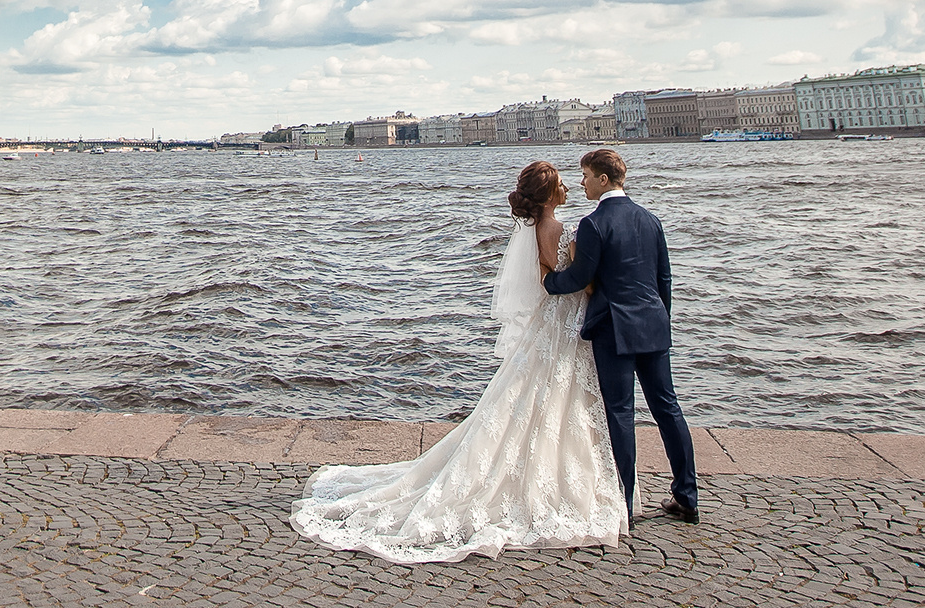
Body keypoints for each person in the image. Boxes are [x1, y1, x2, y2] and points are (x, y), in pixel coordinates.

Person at [289, 160, 628, 563]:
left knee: (534, 397)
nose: (569, 187)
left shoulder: (538, 229)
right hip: (566, 323)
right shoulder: (560, 230)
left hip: (550, 323)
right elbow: (579, 281)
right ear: (550, 194)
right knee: (558, 397)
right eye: (561, 183)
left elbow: (543, 279)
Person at [544, 147, 699, 524]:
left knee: (620, 412)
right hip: (653, 324)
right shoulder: (650, 219)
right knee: (668, 407)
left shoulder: (595, 224)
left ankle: (624, 504)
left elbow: (581, 277)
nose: (580, 183)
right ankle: (687, 495)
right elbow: (664, 279)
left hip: (613, 327)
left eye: (585, 176)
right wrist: (661, 318)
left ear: (602, 179)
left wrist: (549, 282)